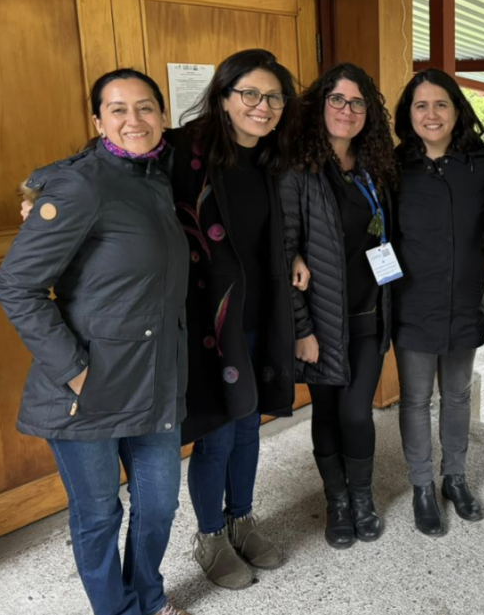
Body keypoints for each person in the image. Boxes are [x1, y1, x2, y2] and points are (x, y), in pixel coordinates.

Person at [0, 69, 192, 615]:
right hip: (87, 387)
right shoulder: (81, 184)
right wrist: (75, 370)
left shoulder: (156, 175)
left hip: (155, 378)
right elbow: (16, 285)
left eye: (147, 107)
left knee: (157, 506)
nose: (135, 120)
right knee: (100, 513)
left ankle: (148, 598)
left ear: (162, 115)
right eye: (118, 109)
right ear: (98, 120)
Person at [167, 49, 306, 589]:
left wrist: (291, 254)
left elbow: (273, 230)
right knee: (217, 434)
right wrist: (43, 193)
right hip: (206, 319)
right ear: (223, 97)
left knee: (250, 424)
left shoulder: (275, 159)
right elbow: (107, 162)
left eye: (273, 96)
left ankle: (241, 518)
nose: (262, 106)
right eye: (249, 94)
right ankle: (208, 535)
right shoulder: (182, 152)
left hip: (258, 316)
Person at [279, 62, 398, 549]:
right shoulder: (298, 172)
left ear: (368, 112)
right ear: (319, 105)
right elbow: (285, 254)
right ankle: (338, 501)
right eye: (336, 100)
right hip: (322, 321)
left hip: (371, 315)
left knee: (356, 413)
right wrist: (302, 329)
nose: (346, 111)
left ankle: (363, 496)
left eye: (357, 102)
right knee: (327, 414)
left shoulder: (376, 169)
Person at [391, 69, 484, 536]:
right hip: (413, 302)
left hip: (464, 299)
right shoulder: (393, 167)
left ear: (457, 111)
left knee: (456, 395)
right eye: (421, 106)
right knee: (416, 399)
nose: (431, 114)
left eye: (441, 105)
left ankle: (454, 478)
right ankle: (421, 485)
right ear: (408, 114)